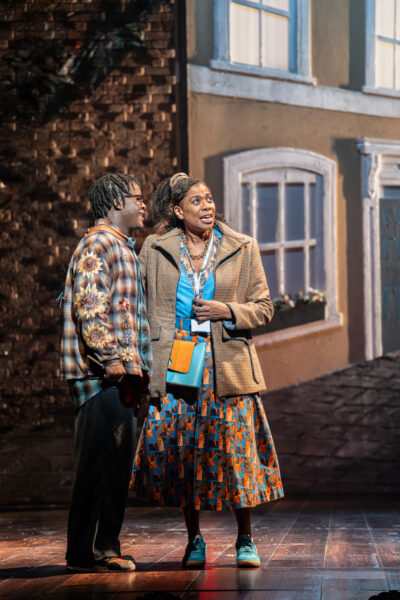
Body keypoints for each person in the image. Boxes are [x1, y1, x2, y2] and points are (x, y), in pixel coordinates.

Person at [130, 172, 283, 569]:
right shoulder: (155, 249)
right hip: (177, 361)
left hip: (225, 363)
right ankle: (194, 539)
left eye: (210, 199)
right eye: (196, 201)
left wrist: (226, 310)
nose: (207, 206)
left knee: (235, 453)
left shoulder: (242, 247)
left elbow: (264, 307)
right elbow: (139, 304)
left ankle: (245, 538)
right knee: (185, 453)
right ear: (178, 211)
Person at [60, 173, 152, 572]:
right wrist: (111, 360)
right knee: (99, 465)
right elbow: (91, 306)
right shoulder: (98, 244)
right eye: (137, 198)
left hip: (121, 375)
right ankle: (91, 552)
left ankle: (100, 549)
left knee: (113, 465)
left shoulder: (121, 246)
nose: (143, 204)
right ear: (116, 203)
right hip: (103, 377)